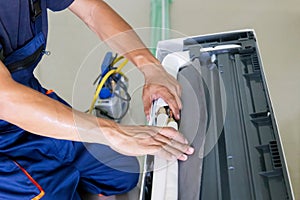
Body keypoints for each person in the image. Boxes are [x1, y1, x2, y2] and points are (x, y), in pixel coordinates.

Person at [0, 0, 194, 199]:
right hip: (5, 133)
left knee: (122, 173)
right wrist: (114, 133)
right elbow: (6, 100)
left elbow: (92, 11)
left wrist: (151, 69)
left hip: (31, 98)